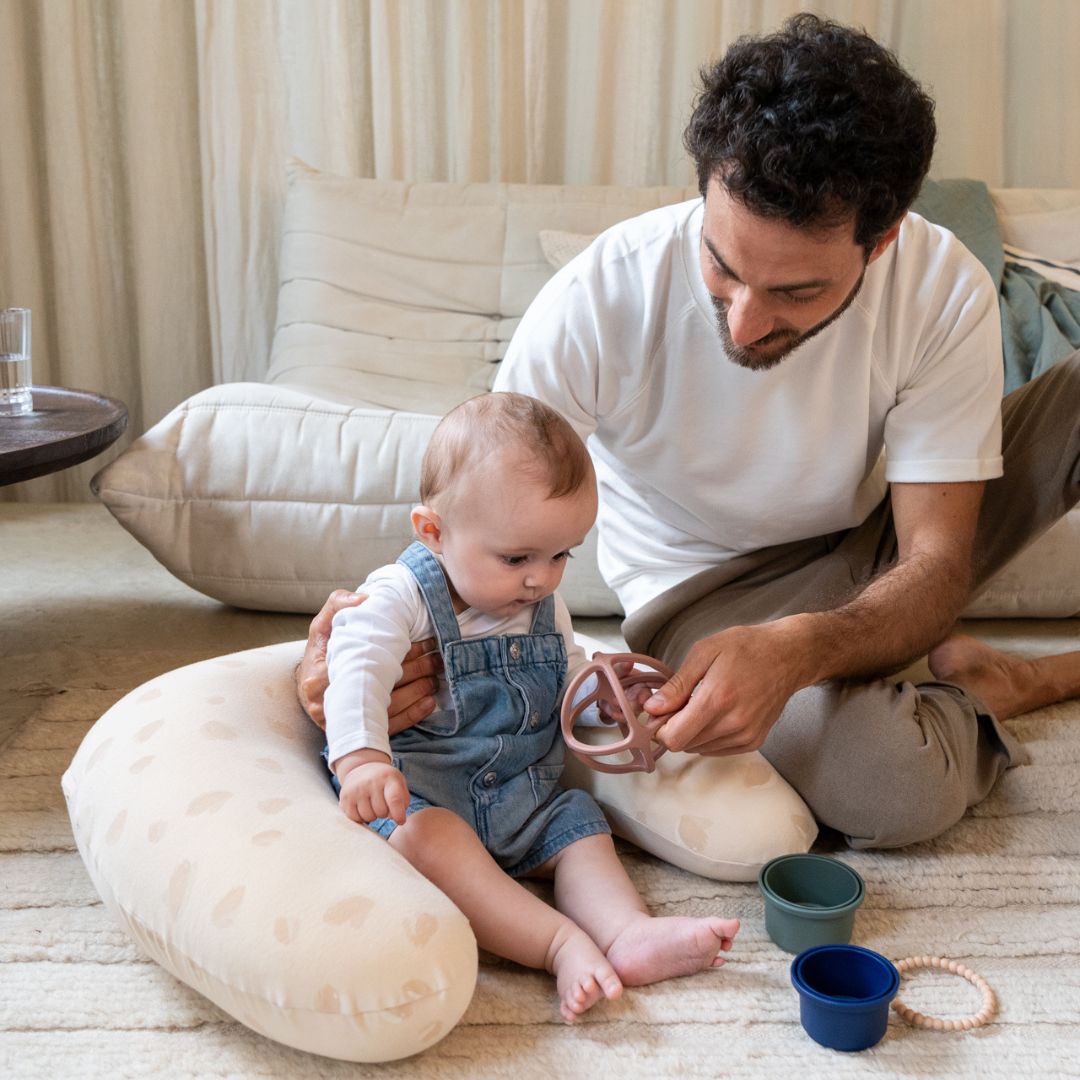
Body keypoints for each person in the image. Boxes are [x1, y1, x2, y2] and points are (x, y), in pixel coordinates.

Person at [299, 13, 1080, 852]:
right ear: (705, 186)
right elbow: (480, 519)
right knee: (892, 787)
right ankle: (999, 684)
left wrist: (805, 647)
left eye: (797, 294)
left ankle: (904, 667)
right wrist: (358, 655)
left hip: (874, 539)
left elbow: (934, 562)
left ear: (881, 240)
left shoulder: (940, 286)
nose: (744, 325)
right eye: (723, 265)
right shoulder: (599, 297)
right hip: (706, 594)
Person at [321, 390, 739, 1023]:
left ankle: (626, 932)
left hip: (524, 800)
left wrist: (611, 707)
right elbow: (356, 665)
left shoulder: (543, 603)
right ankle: (557, 943)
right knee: (427, 840)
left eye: (561, 554)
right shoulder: (402, 595)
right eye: (516, 558)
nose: (540, 578)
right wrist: (361, 761)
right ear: (434, 532)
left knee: (580, 827)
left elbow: (565, 674)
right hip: (424, 798)